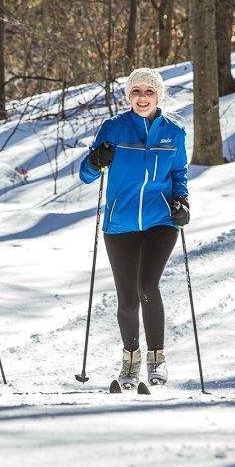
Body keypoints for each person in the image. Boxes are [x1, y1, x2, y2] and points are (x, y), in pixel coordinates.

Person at [79, 68, 190, 388]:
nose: (142, 98)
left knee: (147, 286)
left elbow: (179, 172)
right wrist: (96, 159)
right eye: (136, 92)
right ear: (128, 97)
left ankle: (157, 359)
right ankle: (130, 362)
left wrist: (182, 201)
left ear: (159, 95)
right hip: (120, 223)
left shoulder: (174, 131)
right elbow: (86, 175)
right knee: (127, 298)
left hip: (161, 220)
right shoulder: (113, 128)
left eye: (149, 92)